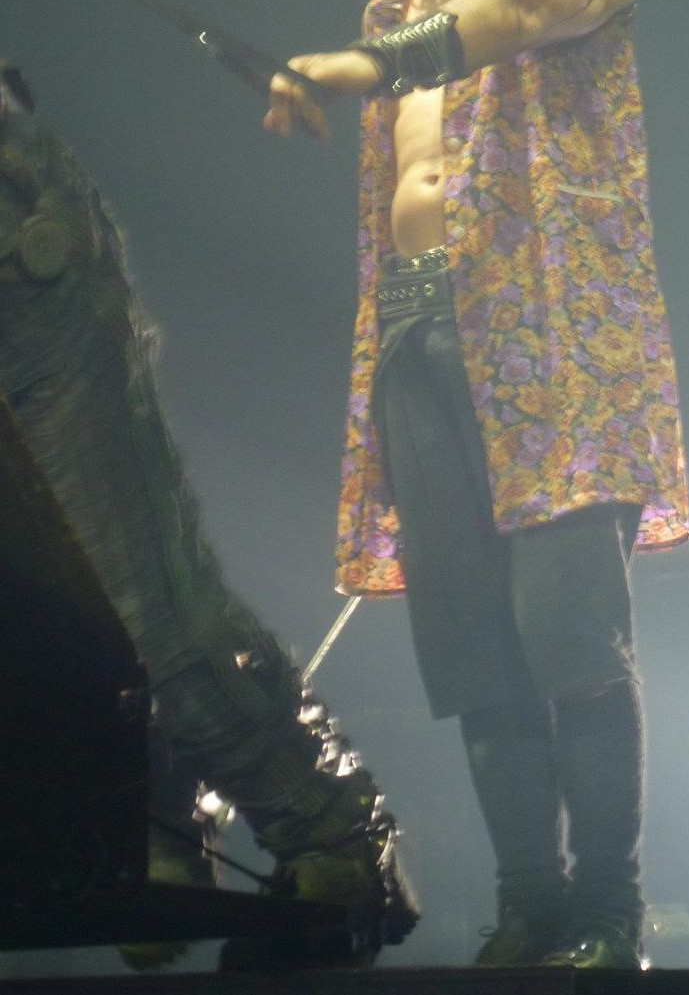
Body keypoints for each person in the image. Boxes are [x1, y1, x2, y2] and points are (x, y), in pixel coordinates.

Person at [266, 0, 689, 969]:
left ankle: (606, 911)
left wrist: (370, 65)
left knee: (571, 642)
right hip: (416, 328)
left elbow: (522, 12)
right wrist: (362, 59)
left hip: (554, 336)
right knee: (472, 654)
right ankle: (527, 907)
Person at [0, 61, 417, 970]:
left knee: (139, 599)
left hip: (21, 244)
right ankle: (157, 827)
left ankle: (334, 833)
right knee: (56, 607)